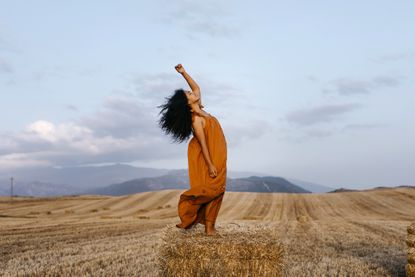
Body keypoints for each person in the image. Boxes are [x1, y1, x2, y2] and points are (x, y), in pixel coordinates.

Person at [157, 64, 227, 236]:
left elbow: (196, 87)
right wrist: (210, 165)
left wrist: (183, 73)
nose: (192, 92)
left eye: (189, 92)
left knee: (220, 189)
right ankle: (197, 217)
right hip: (208, 156)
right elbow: (203, 144)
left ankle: (210, 227)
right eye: (188, 94)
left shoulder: (202, 111)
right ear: (187, 104)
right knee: (214, 189)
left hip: (219, 152)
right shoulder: (196, 120)